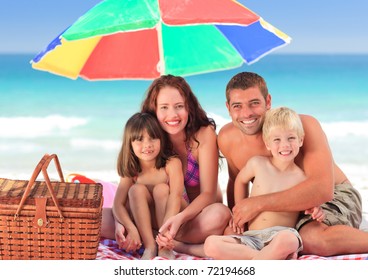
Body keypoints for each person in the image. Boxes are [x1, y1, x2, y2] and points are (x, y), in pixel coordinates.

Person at [218, 71, 367, 256]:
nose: (246, 113)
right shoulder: (227, 138)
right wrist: (239, 221)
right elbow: (236, 181)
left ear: (268, 101)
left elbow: (322, 190)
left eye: (254, 103)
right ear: (228, 107)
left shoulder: (302, 126)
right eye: (237, 106)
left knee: (312, 239)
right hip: (284, 210)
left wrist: (257, 204)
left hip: (331, 196)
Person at [102, 75, 231, 258]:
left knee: (220, 214)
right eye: (164, 107)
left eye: (179, 106)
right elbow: (130, 193)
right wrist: (120, 223)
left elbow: (209, 194)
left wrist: (178, 219)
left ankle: (172, 243)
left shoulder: (203, 134)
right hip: (153, 216)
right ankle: (156, 240)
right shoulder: (151, 139)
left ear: (189, 107)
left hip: (192, 218)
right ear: (154, 110)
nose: (173, 115)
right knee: (97, 219)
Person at [204, 107, 324, 260]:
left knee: (289, 240)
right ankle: (268, 259)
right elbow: (240, 180)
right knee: (210, 244)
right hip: (252, 237)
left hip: (279, 237)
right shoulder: (258, 164)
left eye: (291, 138)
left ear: (301, 140)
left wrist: (316, 210)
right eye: (277, 140)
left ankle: (259, 261)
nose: (285, 145)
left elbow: (308, 203)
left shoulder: (302, 178)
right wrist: (239, 213)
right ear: (267, 143)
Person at [112, 112, 188, 259]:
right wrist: (131, 228)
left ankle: (164, 246)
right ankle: (150, 246)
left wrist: (165, 233)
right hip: (146, 220)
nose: (147, 145)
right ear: (130, 143)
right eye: (139, 140)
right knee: (135, 190)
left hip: (173, 215)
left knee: (161, 189)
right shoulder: (132, 168)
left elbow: (176, 197)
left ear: (161, 139)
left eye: (153, 138)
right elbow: (118, 204)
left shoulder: (171, 163)